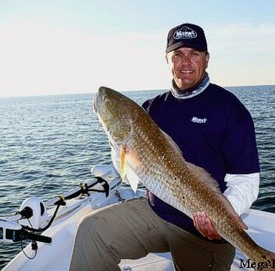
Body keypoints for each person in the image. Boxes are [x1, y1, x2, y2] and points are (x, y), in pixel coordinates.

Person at [69, 23, 260, 271]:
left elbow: (246, 180)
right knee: (91, 231)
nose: (186, 62)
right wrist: (115, 139)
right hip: (156, 213)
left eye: (194, 53)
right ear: (167, 59)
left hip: (201, 228)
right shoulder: (150, 109)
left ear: (207, 58)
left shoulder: (230, 110)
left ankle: (259, 255)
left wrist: (221, 216)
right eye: (178, 54)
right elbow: (128, 174)